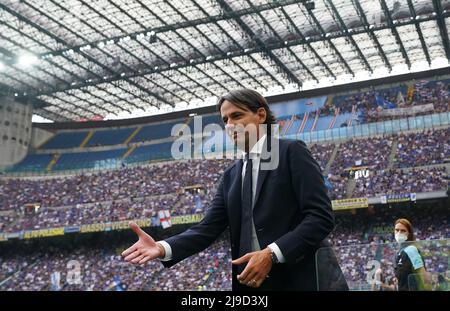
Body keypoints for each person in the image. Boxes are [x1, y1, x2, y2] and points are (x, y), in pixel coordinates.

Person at [122, 89, 348, 291]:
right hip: (252, 284)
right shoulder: (231, 176)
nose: (230, 124)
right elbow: (208, 228)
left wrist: (271, 254)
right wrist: (162, 247)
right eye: (225, 119)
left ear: (260, 115)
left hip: (304, 280)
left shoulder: (291, 151)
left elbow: (320, 217)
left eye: (237, 115)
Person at [393, 218, 428, 291]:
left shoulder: (411, 249)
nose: (399, 233)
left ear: (409, 233)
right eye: (397, 230)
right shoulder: (399, 252)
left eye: (403, 231)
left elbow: (423, 276)